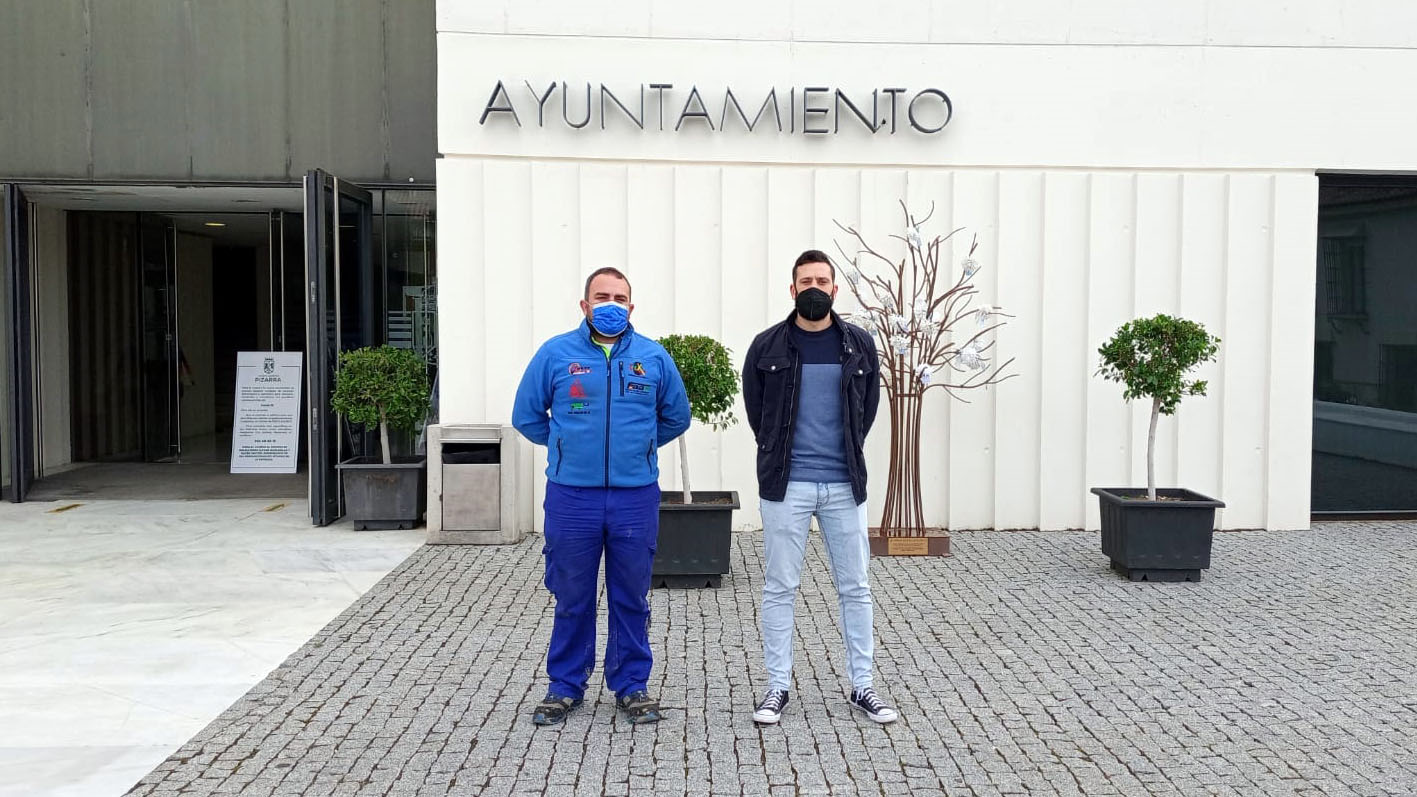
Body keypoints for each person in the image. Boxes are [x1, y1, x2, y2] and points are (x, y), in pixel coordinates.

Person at [512, 267, 691, 726]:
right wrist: (565, 448)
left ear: (632, 306)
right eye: (601, 296)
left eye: (619, 297)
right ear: (584, 304)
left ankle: (632, 685)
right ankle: (565, 687)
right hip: (572, 498)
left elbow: (675, 417)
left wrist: (639, 450)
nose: (610, 304)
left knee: (632, 595)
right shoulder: (555, 354)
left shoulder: (653, 358)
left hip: (634, 498)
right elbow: (528, 416)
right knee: (572, 595)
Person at [741, 249, 896, 725]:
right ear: (792, 290)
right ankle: (776, 688)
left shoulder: (859, 345)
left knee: (856, 587)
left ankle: (863, 686)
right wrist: (776, 451)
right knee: (780, 587)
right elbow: (757, 411)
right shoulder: (766, 346)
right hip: (786, 487)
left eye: (821, 280)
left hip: (844, 486)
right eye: (804, 280)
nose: (813, 287)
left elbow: (865, 412)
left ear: (834, 289)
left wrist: (845, 454)